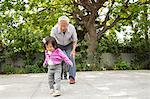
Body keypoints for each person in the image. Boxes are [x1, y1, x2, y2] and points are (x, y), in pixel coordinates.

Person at [50, 15, 78, 84]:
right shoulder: (54, 29)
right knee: (56, 59)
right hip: (58, 45)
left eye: (65, 26)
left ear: (68, 25)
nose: (63, 28)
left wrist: (73, 50)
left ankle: (72, 77)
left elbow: (74, 40)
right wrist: (53, 52)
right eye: (61, 26)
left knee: (71, 57)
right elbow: (52, 42)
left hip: (68, 45)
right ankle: (55, 78)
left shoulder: (72, 28)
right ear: (58, 24)